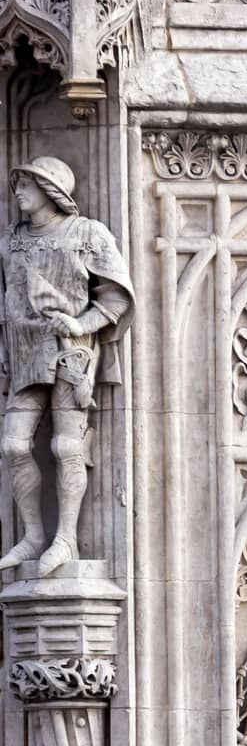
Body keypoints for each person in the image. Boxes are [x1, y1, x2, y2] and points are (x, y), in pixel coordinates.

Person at [0, 157, 134, 576]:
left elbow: (115, 298)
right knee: (14, 446)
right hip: (24, 354)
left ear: (50, 189)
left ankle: (67, 538)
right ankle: (34, 535)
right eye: (18, 183)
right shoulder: (11, 239)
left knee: (67, 446)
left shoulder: (86, 234)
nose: (19, 191)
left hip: (69, 352)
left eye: (27, 184)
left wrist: (79, 323)